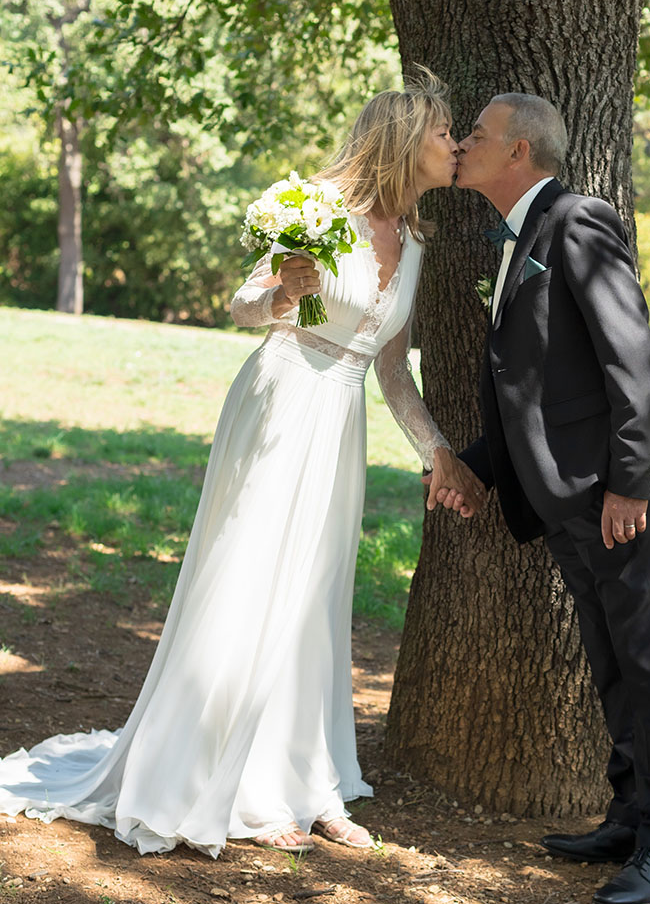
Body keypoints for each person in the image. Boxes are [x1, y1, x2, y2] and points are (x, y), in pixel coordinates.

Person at [0, 70, 477, 857]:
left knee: (315, 594)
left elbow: (390, 370)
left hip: (341, 417)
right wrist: (286, 293)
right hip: (284, 396)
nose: (452, 145)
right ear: (401, 139)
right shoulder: (322, 210)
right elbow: (249, 310)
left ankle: (307, 779)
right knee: (253, 574)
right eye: (440, 133)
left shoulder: (417, 241)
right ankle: (237, 782)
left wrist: (440, 457)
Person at [431, 92, 650, 904]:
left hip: (614, 496)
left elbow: (631, 359)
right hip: (566, 500)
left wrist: (630, 482)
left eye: (478, 134)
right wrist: (474, 466)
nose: (464, 143)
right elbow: (531, 389)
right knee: (611, 662)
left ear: (520, 153)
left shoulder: (578, 220)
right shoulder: (514, 239)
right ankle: (627, 816)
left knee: (647, 662)